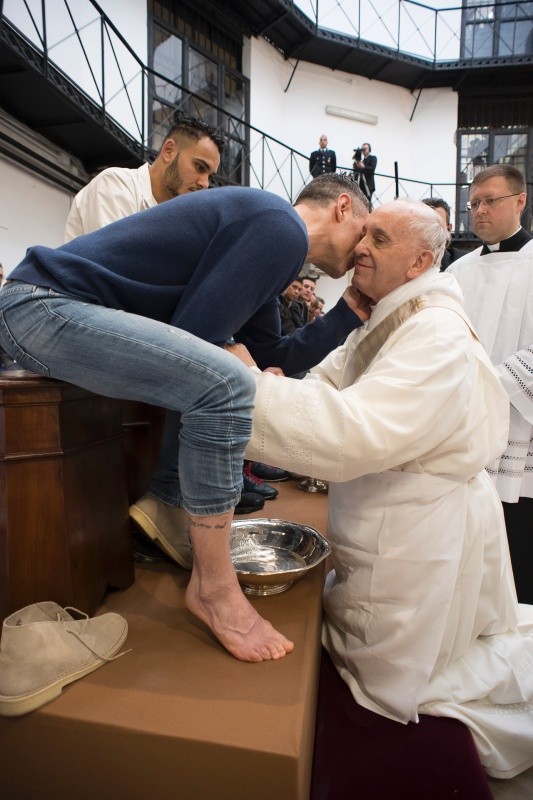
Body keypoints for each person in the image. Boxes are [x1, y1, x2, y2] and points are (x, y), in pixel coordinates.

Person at [0, 175, 370, 663]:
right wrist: (231, 352)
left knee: (228, 376)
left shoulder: (274, 239)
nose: (366, 250)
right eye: (367, 231)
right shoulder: (281, 228)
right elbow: (197, 333)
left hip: (53, 309)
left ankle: (170, 502)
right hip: (42, 306)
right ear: (342, 207)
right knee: (226, 384)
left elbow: (270, 353)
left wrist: (346, 314)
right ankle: (212, 587)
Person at [230, 199, 533, 778]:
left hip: (417, 532)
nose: (360, 247)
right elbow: (328, 381)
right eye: (364, 232)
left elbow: (352, 431)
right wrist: (275, 383)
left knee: (397, 677)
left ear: (419, 262)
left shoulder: (435, 333)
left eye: (380, 239)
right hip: (387, 513)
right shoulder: (391, 314)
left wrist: (245, 386)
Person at [449, 164, 533, 604]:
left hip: (519, 425)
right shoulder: (458, 271)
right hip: (465, 424)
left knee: (518, 544)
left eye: (490, 201)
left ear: (520, 201)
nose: (479, 211)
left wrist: (490, 383)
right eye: (474, 203)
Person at [64, 113, 224, 241]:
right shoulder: (115, 184)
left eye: (210, 177)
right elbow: (112, 264)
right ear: (169, 150)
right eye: (199, 167)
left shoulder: (181, 222)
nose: (205, 184)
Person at [422, 197, 467, 270]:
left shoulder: (464, 262)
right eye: (426, 222)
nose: (432, 228)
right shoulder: (404, 261)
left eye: (438, 223)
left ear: (449, 228)